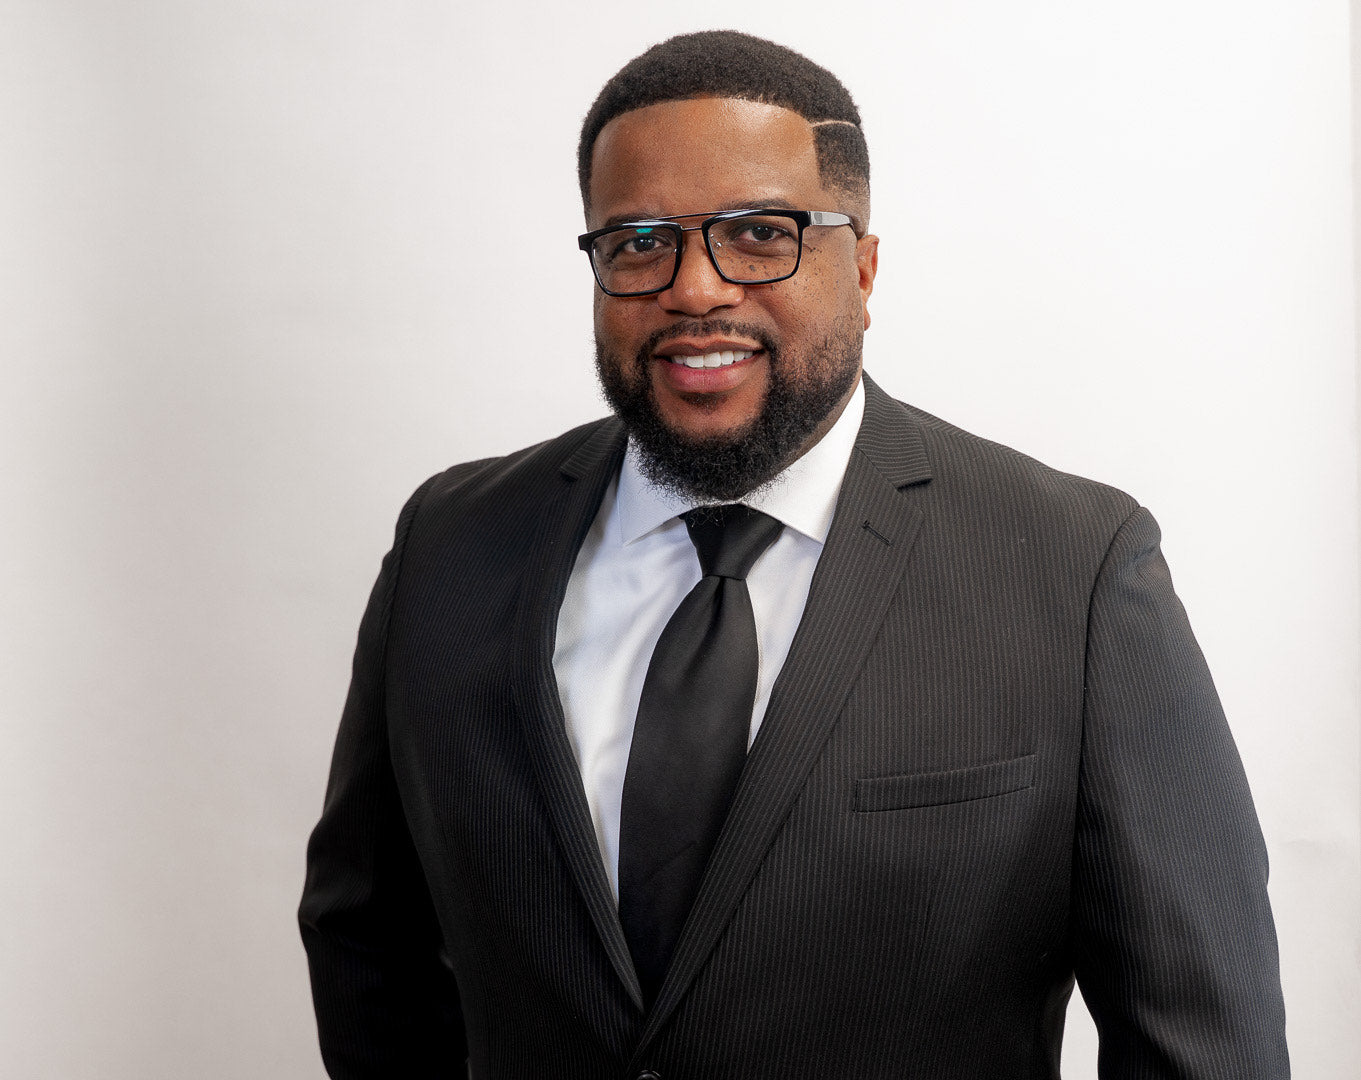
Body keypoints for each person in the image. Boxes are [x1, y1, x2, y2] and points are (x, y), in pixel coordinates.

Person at [299, 30, 1289, 1079]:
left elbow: (1200, 1041)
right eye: (637, 240)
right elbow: (369, 941)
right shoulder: (452, 545)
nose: (695, 289)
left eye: (759, 234)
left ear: (861, 267)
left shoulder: (1073, 571)